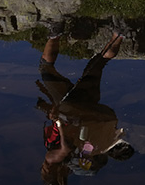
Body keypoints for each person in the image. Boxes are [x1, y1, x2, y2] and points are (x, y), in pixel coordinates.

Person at [37, 23, 133, 183]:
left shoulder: (78, 165)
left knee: (97, 65)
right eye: (44, 168)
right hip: (70, 109)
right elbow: (65, 146)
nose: (43, 165)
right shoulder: (55, 160)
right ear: (49, 172)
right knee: (46, 69)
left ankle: (119, 34)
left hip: (94, 112)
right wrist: (58, 120)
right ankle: (55, 32)